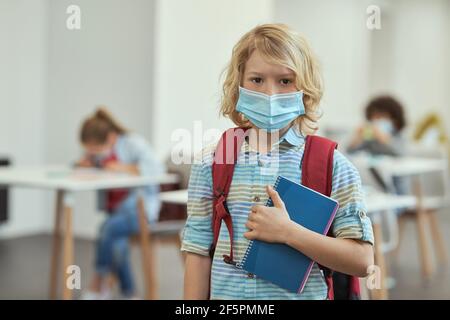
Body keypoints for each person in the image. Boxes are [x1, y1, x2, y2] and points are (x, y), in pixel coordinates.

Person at [181, 24, 374, 300]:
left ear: (304, 89)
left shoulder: (333, 166)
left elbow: (363, 261)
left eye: (285, 81)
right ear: (239, 85)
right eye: (257, 80)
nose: (270, 94)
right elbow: (197, 254)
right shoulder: (212, 163)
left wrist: (289, 233)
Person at [78, 107, 163, 299]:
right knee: (116, 242)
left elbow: (157, 170)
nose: (94, 153)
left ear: (110, 137)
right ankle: (129, 293)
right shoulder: (100, 153)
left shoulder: (134, 143)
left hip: (140, 210)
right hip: (115, 211)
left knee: (107, 229)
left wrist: (119, 167)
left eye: (96, 149)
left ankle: (99, 282)